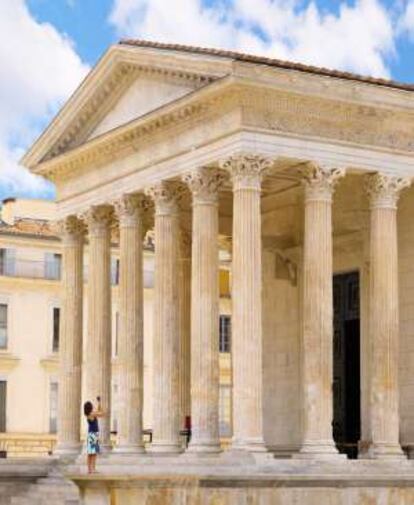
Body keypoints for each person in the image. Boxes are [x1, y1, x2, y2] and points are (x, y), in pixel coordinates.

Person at [84, 396, 104, 474]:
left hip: (92, 434)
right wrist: (99, 404)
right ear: (90, 407)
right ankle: (92, 469)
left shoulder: (90, 414)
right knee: (92, 453)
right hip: (93, 434)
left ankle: (90, 469)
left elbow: (99, 411)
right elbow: (101, 413)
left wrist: (99, 403)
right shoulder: (91, 414)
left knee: (91, 453)